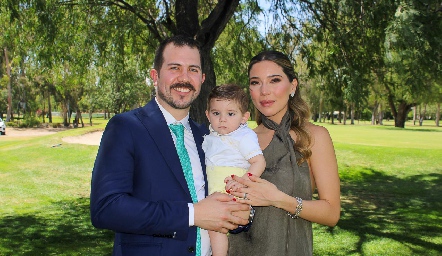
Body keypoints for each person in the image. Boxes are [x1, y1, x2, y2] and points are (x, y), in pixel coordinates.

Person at [90, 35, 250, 256]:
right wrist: (192, 214)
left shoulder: (208, 135)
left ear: (202, 78)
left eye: (193, 70)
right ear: (155, 76)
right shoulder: (125, 127)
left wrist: (241, 215)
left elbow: (221, 192)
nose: (184, 78)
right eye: (175, 68)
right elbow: (106, 208)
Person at [226, 50, 341, 256]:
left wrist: (278, 199)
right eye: (255, 82)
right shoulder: (240, 139)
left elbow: (332, 213)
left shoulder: (314, 137)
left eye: (274, 80)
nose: (264, 91)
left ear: (293, 86)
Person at [202, 84, 266, 256]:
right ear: (208, 115)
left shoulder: (243, 136)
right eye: (216, 113)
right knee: (210, 228)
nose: (222, 119)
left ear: (244, 117)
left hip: (232, 191)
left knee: (216, 228)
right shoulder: (211, 135)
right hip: (215, 191)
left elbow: (259, 162)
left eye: (230, 114)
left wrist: (242, 182)